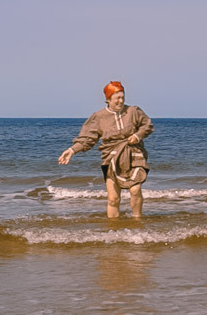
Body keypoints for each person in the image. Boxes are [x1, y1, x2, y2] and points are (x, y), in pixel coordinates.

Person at [59, 81, 154, 219]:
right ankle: (113, 228)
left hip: (134, 154)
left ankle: (137, 220)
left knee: (135, 189)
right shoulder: (98, 117)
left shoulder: (133, 111)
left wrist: (137, 136)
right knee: (113, 198)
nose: (121, 101)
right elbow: (87, 139)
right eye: (117, 98)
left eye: (123, 97)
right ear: (108, 99)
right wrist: (72, 150)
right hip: (111, 157)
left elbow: (147, 126)